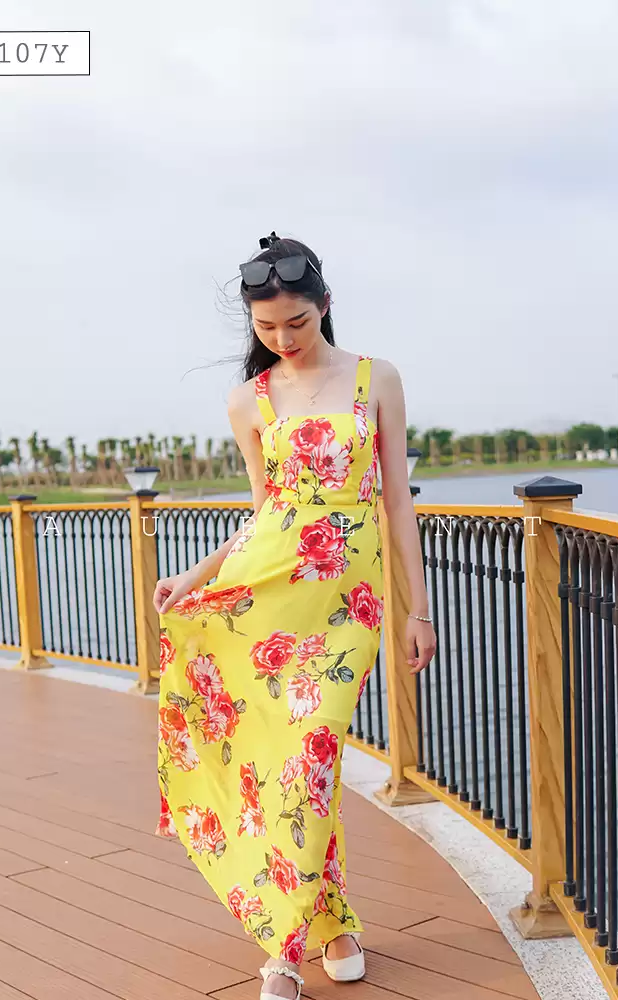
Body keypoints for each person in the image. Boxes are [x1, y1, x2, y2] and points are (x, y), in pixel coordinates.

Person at [153, 232, 436, 1000]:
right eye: (267, 326)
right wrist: (196, 574)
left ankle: (293, 943)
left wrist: (418, 607)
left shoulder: (376, 378)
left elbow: (396, 499)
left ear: (325, 306)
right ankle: (313, 935)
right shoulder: (248, 399)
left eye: (298, 322)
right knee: (296, 764)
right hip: (268, 595)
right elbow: (264, 513)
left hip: (348, 604)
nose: (283, 337)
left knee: (311, 752)